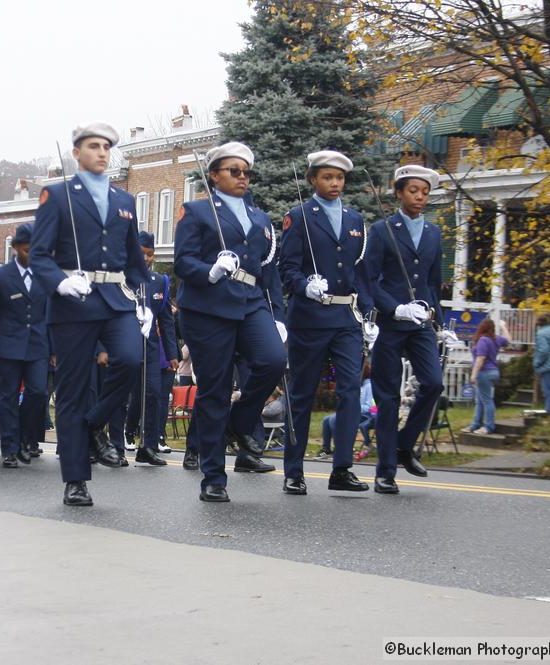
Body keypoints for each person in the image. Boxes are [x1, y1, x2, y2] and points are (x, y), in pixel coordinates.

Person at [29, 122, 152, 506]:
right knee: (72, 390)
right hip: (74, 300)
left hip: (116, 297)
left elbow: (134, 259)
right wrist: (59, 283)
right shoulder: (57, 194)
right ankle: (76, 480)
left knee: (131, 360)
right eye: (93, 146)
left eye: (105, 147)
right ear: (77, 153)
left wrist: (143, 301)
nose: (101, 152)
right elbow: (39, 255)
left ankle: (92, 423)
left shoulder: (124, 200)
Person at [174, 141, 287, 503]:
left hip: (251, 301)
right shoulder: (196, 211)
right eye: (233, 171)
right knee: (215, 391)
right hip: (209, 306)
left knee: (273, 360)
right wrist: (210, 270)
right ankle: (213, 476)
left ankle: (239, 422)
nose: (242, 177)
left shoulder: (259, 217)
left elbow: (268, 270)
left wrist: (278, 315)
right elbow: (182, 262)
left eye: (246, 172)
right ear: (214, 175)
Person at [279, 150, 377, 495]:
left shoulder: (354, 221)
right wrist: (305, 284)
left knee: (350, 390)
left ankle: (342, 468)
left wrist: (369, 315)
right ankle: (294, 470)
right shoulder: (299, 217)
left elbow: (361, 274)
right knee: (303, 393)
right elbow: (286, 269)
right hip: (309, 318)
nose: (335, 183)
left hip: (345, 320)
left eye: (339, 178)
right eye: (327, 177)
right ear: (313, 180)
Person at [363, 165, 457, 494]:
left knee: (432, 384)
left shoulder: (433, 233)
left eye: (425, 192)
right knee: (387, 399)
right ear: (399, 193)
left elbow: (432, 282)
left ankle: (404, 446)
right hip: (392, 323)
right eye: (413, 190)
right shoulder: (381, 229)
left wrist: (439, 323)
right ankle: (385, 470)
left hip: (420, 325)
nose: (420, 196)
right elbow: (370, 280)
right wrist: (393, 307)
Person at [0, 223, 52, 468]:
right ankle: (9, 447)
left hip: (38, 345)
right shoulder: (2, 275)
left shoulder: (44, 273)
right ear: (17, 248)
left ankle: (24, 438)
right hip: (8, 345)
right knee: (7, 396)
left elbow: (50, 313)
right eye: (28, 250)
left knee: (38, 392)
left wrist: (53, 349)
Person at [106, 231, 178, 466]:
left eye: (150, 254)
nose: (146, 258)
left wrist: (173, 353)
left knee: (153, 395)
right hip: (123, 345)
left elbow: (166, 320)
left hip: (150, 347)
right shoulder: (119, 279)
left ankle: (147, 446)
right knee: (120, 397)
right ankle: (116, 445)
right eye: (141, 253)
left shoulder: (159, 281)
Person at [466, 318, 511, 434]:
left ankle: (488, 427)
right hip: (494, 372)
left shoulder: (483, 340)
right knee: (480, 400)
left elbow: (481, 358)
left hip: (484, 373)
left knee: (486, 401)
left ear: (482, 328)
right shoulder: (496, 339)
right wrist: (503, 326)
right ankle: (475, 424)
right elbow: (508, 340)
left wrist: (473, 375)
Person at [320, 363, 374, 457]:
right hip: (352, 412)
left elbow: (368, 407)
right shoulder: (358, 385)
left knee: (334, 419)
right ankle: (326, 449)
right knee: (326, 420)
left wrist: (353, 407)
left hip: (364, 416)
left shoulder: (369, 386)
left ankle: (340, 449)